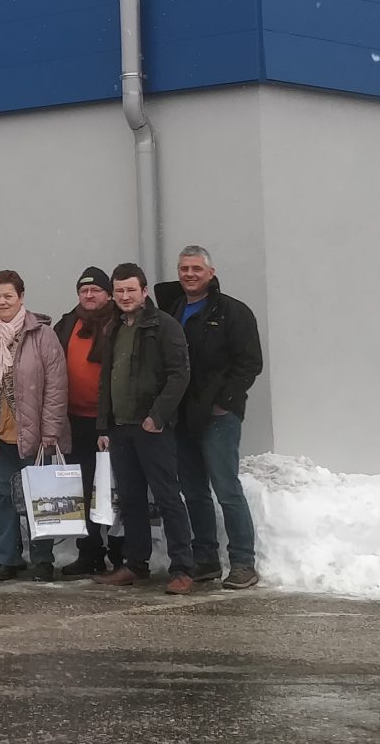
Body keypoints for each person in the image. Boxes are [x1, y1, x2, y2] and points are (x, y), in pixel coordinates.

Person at [155, 246, 267, 590]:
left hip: (218, 416)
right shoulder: (173, 309)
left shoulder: (232, 311)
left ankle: (243, 563)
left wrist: (224, 402)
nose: (189, 274)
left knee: (226, 489)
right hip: (182, 415)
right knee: (194, 491)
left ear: (211, 272)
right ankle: (206, 559)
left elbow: (250, 362)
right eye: (184, 268)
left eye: (196, 268)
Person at [0, 271, 70, 581]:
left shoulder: (42, 335)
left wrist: (51, 430)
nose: (2, 301)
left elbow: (57, 387)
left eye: (8, 295)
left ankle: (42, 560)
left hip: (36, 435)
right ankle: (7, 559)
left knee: (40, 498)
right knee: (4, 497)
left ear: (21, 297)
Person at [94, 263, 196, 594]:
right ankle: (136, 563)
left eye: (131, 290)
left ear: (144, 291)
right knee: (131, 499)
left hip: (153, 428)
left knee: (167, 497)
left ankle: (183, 568)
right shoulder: (113, 327)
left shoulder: (163, 325)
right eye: (119, 291)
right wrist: (104, 425)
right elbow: (106, 379)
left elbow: (179, 374)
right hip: (120, 428)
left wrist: (157, 416)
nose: (125, 296)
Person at [54, 268, 119, 576]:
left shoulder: (119, 322)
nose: (89, 295)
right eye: (84, 291)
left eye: (96, 290)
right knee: (82, 489)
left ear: (108, 294)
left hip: (112, 422)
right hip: (75, 421)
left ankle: (121, 554)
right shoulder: (68, 323)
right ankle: (90, 553)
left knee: (115, 490)